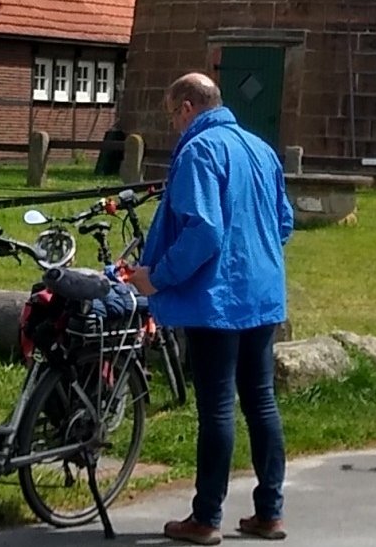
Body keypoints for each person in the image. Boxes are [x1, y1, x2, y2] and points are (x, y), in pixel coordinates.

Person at [125, 73, 292, 544]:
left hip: (217, 300)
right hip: (262, 294)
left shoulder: (200, 151)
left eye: (171, 115)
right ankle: (270, 512)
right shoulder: (261, 148)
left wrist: (157, 277)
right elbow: (284, 220)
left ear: (186, 107)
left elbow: (203, 232)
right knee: (261, 400)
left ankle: (206, 518)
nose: (174, 126)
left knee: (217, 407)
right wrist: (258, 258)